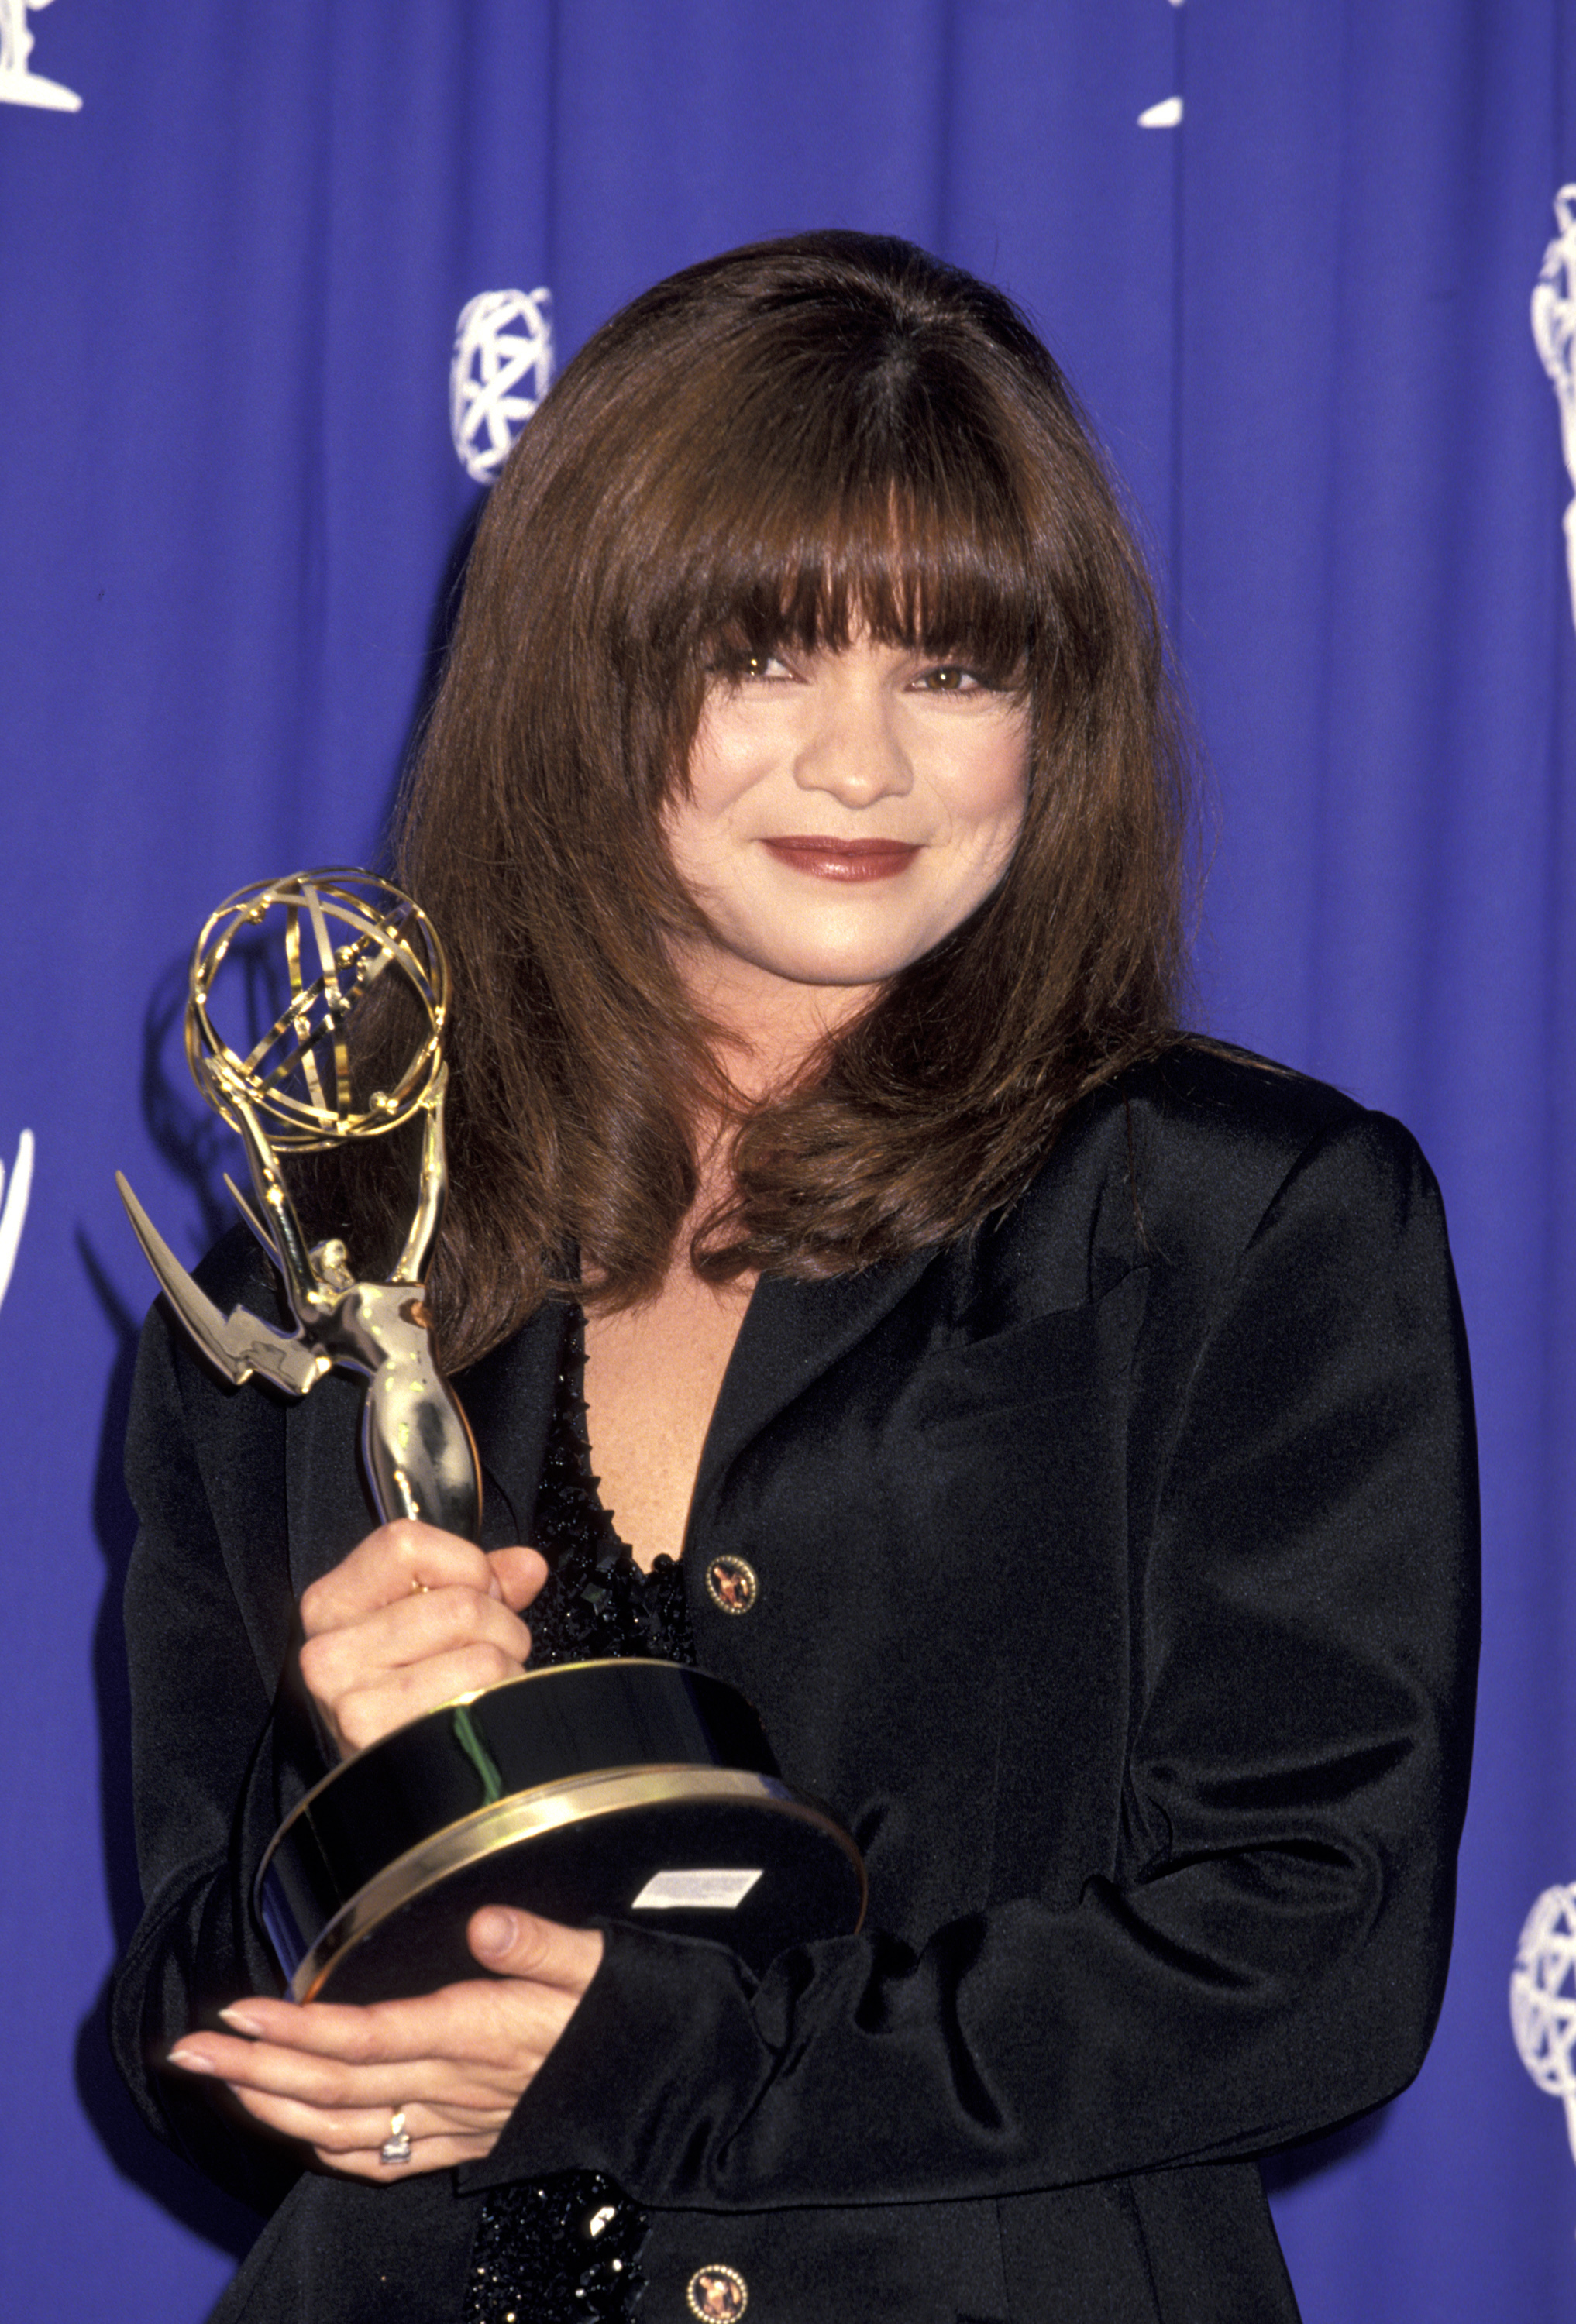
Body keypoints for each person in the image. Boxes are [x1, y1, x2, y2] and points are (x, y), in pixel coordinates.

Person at [111, 232, 1478, 2324]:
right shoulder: (321, 1267)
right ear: (584, 682)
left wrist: (666, 2066)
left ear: (1059, 711)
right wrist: (348, 1795)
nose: (864, 767)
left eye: (952, 667)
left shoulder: (1239, 1218)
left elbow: (1309, 1948)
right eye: (760, 657)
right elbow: (188, 2064)